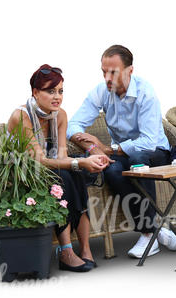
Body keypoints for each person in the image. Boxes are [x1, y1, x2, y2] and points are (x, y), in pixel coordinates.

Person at [67, 45, 176, 259]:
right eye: (104, 71)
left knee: (137, 159)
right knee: (110, 170)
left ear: (130, 70)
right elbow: (72, 125)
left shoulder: (145, 93)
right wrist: (92, 147)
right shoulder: (101, 92)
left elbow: (148, 142)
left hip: (155, 152)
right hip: (122, 153)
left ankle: (148, 235)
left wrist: (108, 148)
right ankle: (154, 230)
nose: (107, 77)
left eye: (113, 72)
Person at [7, 64, 112, 272]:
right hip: (23, 173)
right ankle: (66, 251)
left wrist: (85, 162)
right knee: (63, 175)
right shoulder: (22, 117)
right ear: (35, 93)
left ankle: (85, 248)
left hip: (50, 169)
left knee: (73, 174)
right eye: (50, 91)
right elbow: (39, 161)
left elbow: (61, 156)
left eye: (61, 91)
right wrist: (80, 162)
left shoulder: (60, 115)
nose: (57, 97)